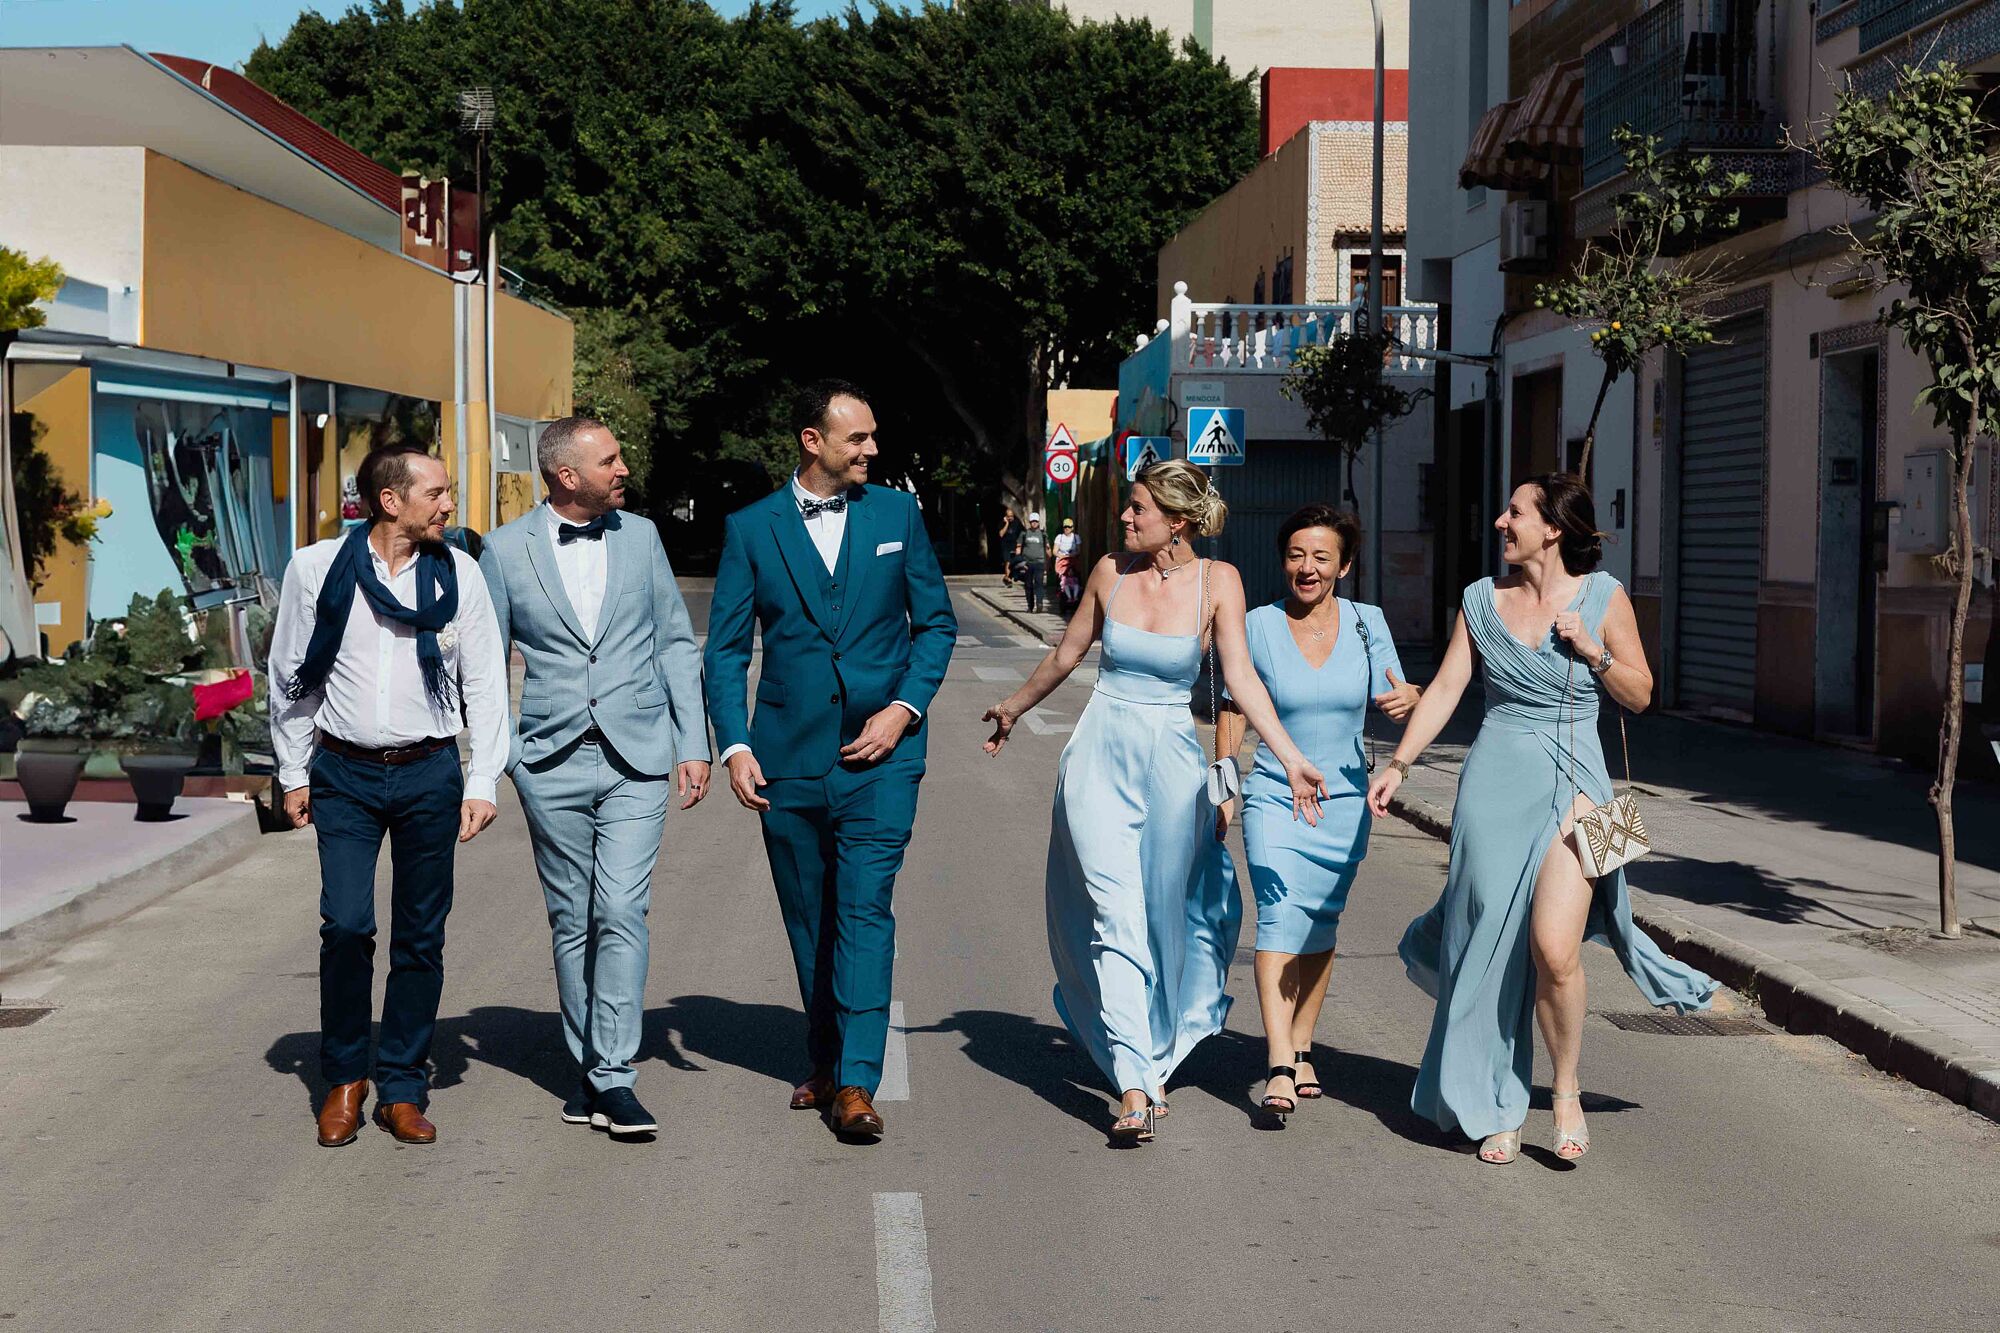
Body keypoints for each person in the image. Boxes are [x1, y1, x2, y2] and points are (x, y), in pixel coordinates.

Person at [1367, 474, 1716, 1164]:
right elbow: (1447, 688)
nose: (1501, 522)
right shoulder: (1479, 599)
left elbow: (1642, 694)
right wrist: (1399, 765)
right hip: (1494, 785)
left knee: (1554, 948)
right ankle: (1498, 1101)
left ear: (1553, 528)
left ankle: (1564, 1090)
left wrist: (1594, 650)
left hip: (1579, 785)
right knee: (1489, 948)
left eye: (1515, 512)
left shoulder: (1605, 596)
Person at [982, 460, 1327, 1143]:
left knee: (1165, 914)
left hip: (1171, 761)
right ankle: (1135, 1084)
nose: (1125, 517)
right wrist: (1014, 708)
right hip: (1099, 753)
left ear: (1177, 521)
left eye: (1138, 507)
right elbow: (1067, 654)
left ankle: (1159, 1043)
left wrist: (1289, 758)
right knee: (1113, 913)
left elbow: (1240, 677)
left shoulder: (1219, 581)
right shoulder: (1110, 571)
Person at [704, 379, 956, 1141]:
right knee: (810, 916)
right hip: (786, 757)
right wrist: (735, 744)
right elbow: (724, 650)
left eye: (873, 435)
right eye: (859, 438)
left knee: (863, 909)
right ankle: (825, 1054)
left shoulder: (897, 514)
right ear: (813, 441)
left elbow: (935, 625)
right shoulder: (752, 528)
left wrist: (903, 708)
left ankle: (855, 1081)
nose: (873, 448)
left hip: (882, 757)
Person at [269, 443, 508, 1148]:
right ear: (389, 501)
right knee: (345, 926)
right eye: (436, 492)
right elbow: (291, 673)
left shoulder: (459, 572)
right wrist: (293, 771)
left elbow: (486, 680)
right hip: (343, 773)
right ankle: (346, 1076)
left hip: (429, 771)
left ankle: (402, 1084)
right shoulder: (316, 568)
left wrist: (482, 778)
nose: (449, 504)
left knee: (420, 935)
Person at [479, 417, 711, 1138]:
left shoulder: (641, 536)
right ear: (567, 476)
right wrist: (502, 757)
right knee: (572, 917)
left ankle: (614, 1074)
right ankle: (588, 1068)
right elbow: (485, 663)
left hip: (636, 755)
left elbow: (675, 642)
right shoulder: (502, 549)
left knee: (619, 908)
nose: (623, 469)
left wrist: (692, 741)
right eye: (608, 460)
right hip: (548, 760)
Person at [1214, 506, 1419, 1120]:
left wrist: (1410, 698)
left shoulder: (1367, 623)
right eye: (1296, 555)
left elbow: (1397, 694)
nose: (1307, 568)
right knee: (1279, 917)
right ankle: (1279, 1061)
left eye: (1321, 557)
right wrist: (1224, 785)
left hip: (1345, 799)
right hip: (1275, 794)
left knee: (1321, 924)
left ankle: (1302, 1044)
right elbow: (1232, 707)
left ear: (1343, 566)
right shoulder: (1257, 624)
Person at [1015, 512, 1049, 613]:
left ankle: (1039, 603)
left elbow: (1047, 549)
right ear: (1030, 522)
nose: (1034, 523)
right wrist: (1018, 561)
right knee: (1028, 585)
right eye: (1032, 521)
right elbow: (1018, 547)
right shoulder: (1024, 533)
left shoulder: (1043, 534)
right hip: (1027, 563)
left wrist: (1049, 562)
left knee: (1039, 583)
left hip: (1039, 562)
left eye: (1036, 521)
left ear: (1038, 522)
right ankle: (1030, 606)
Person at [1053, 517, 1082, 616]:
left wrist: (1072, 555)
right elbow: (1055, 551)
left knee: (1076, 581)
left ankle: (1075, 600)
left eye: (1069, 527)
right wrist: (1061, 556)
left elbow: (1078, 550)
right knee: (1062, 583)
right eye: (1065, 527)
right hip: (1062, 563)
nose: (1067, 529)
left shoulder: (1076, 537)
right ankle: (1064, 602)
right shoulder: (1059, 537)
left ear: (1072, 528)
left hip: (1072, 561)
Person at [998, 511, 1021, 587]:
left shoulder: (1017, 523)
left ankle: (1006, 577)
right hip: (1006, 546)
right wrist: (1007, 524)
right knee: (1008, 561)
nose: (1010, 518)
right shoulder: (1002, 523)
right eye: (1008, 516)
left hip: (1014, 545)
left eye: (1011, 516)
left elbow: (1021, 533)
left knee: (1013, 562)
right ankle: (1008, 578)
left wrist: (1019, 544)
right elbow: (1001, 534)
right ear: (1006, 516)